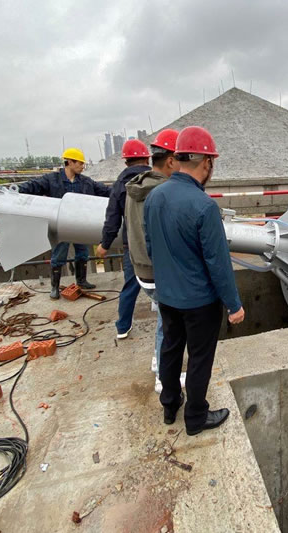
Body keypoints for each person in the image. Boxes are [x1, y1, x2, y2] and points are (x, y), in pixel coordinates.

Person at [144, 126, 245, 436]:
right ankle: (196, 417)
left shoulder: (154, 197)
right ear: (207, 163)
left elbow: (150, 247)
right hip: (200, 302)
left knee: (170, 349)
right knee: (200, 358)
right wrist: (234, 305)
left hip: (167, 296)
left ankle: (170, 405)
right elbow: (219, 264)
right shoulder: (204, 206)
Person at [124, 129, 182, 393]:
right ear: (170, 161)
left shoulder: (136, 186)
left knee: (164, 320)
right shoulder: (163, 193)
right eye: (182, 160)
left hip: (142, 270)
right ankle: (164, 378)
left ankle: (159, 362)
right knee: (170, 327)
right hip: (159, 272)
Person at [19, 148, 110, 299]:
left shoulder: (85, 182)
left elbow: (105, 191)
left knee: (82, 253)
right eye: (80, 163)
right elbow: (32, 187)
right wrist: (16, 191)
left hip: (80, 224)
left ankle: (81, 281)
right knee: (58, 256)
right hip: (61, 225)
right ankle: (54, 287)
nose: (83, 166)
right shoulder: (51, 180)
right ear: (69, 162)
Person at [96, 140, 152, 339]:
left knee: (131, 284)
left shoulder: (121, 184)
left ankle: (123, 326)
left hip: (133, 244)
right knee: (166, 281)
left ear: (126, 161)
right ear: (147, 159)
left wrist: (105, 244)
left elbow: (112, 218)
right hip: (160, 241)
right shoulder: (157, 179)